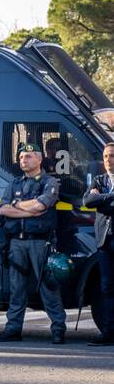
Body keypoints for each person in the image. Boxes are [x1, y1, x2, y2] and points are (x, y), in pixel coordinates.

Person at [0, 143, 67, 344]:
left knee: (48, 287)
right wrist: (27, 210)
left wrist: (16, 206)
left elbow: (42, 204)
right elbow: (1, 209)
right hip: (16, 242)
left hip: (39, 243)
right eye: (21, 157)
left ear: (39, 159)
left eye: (28, 156)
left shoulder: (49, 181)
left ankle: (58, 329)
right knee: (16, 288)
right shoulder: (14, 183)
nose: (23, 160)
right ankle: (13, 329)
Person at [82, 142, 114, 346]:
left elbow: (97, 201)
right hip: (105, 242)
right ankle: (109, 332)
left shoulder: (99, 187)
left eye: (112, 156)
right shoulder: (100, 180)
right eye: (105, 157)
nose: (109, 161)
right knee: (107, 288)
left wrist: (100, 199)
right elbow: (88, 201)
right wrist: (109, 197)